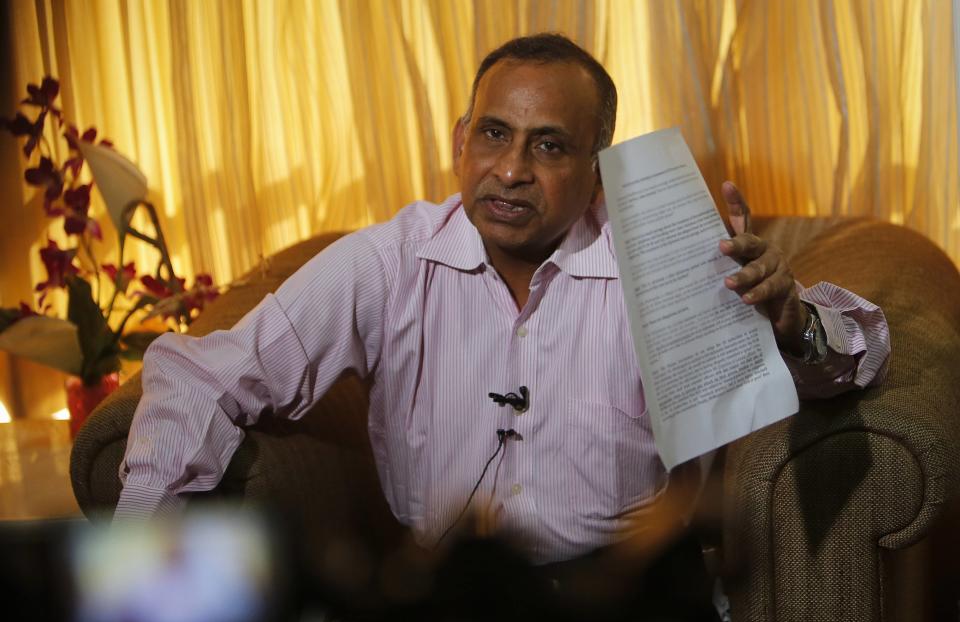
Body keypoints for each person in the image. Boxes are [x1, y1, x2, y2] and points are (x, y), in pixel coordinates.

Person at [115, 34, 889, 568]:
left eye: (549, 145)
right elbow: (199, 372)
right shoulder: (388, 263)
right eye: (494, 134)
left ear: (598, 169)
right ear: (460, 143)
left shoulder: (659, 253)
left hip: (622, 605)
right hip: (450, 606)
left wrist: (794, 323)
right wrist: (135, 570)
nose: (512, 169)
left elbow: (856, 360)